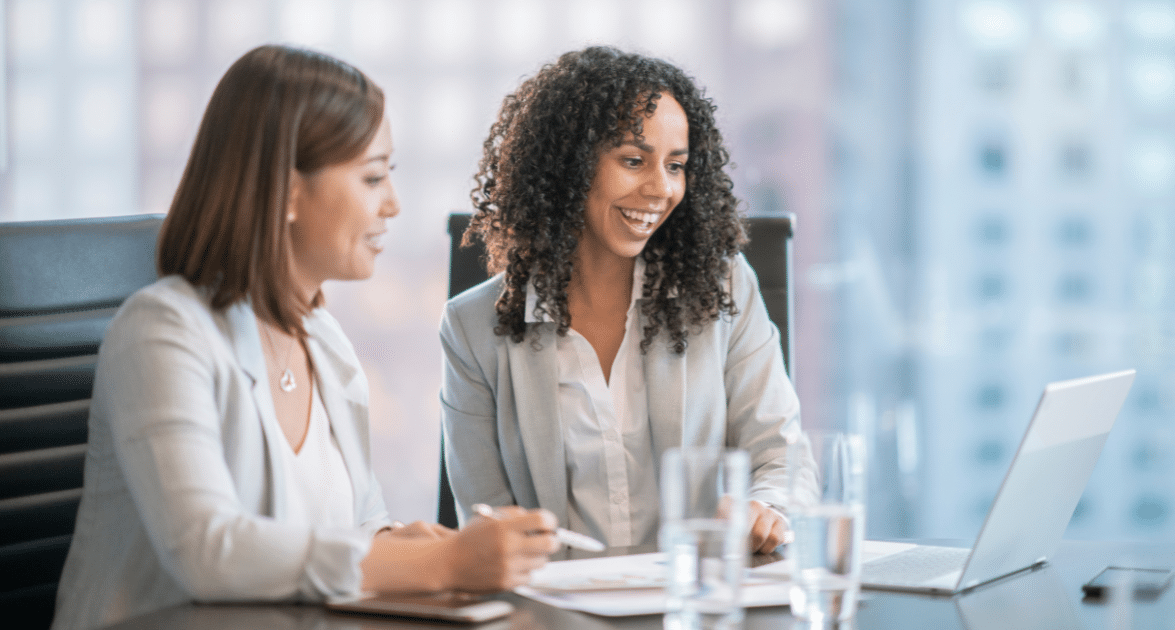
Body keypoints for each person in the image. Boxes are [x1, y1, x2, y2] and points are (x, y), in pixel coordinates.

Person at [52, 45, 557, 630]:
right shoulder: (163, 332)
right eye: (372, 176)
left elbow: (359, 524)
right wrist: (440, 563)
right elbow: (207, 550)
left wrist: (402, 541)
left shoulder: (323, 341)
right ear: (288, 190)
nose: (392, 203)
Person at [440, 46, 813, 555]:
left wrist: (766, 507)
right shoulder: (471, 328)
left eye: (676, 166)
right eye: (633, 161)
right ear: (568, 166)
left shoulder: (721, 287)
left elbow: (782, 457)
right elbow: (485, 522)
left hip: (696, 599)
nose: (661, 188)